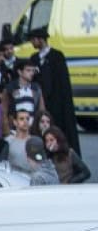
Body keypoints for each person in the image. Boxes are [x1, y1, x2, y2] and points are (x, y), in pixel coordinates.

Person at [29, 26, 80, 156]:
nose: (32, 43)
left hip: (57, 103)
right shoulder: (34, 58)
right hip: (41, 103)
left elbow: (63, 83)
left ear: (40, 40)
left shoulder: (57, 56)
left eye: (33, 40)